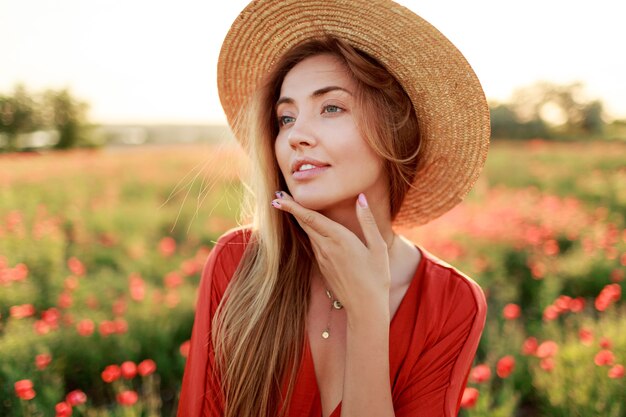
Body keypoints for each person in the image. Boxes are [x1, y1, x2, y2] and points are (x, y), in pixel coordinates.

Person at [178, 0, 490, 416]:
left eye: (331, 107)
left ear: (396, 132)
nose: (296, 137)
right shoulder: (237, 263)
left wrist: (367, 316)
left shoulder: (452, 302)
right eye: (286, 118)